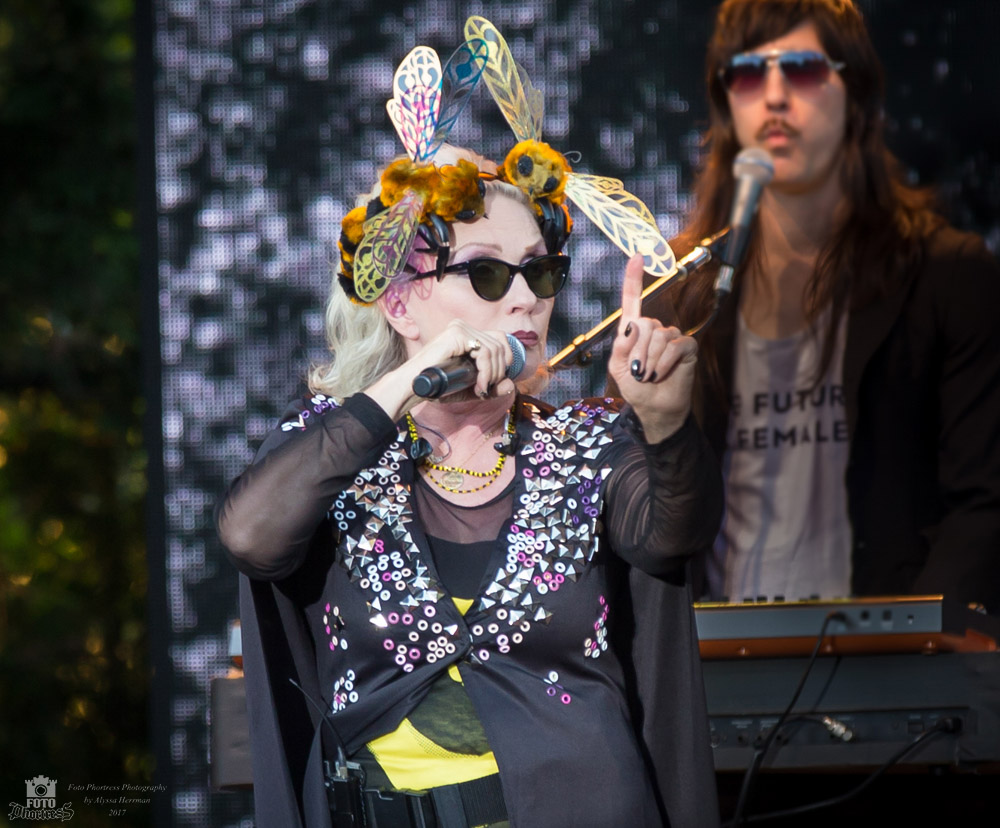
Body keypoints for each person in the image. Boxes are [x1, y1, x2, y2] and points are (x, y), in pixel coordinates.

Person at [217, 22, 722, 828]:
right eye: (488, 274)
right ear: (404, 302)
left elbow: (673, 540)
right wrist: (410, 387)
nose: (526, 299)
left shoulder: (586, 446)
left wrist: (663, 426)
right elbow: (250, 536)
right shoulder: (340, 452)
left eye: (541, 272)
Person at [653, 0, 1000, 609]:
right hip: (718, 669)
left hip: (890, 668)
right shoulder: (684, 292)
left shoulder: (949, 275)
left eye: (805, 69)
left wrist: (918, 652)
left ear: (857, 94)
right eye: (750, 73)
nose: (776, 96)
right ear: (728, 102)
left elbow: (984, 500)